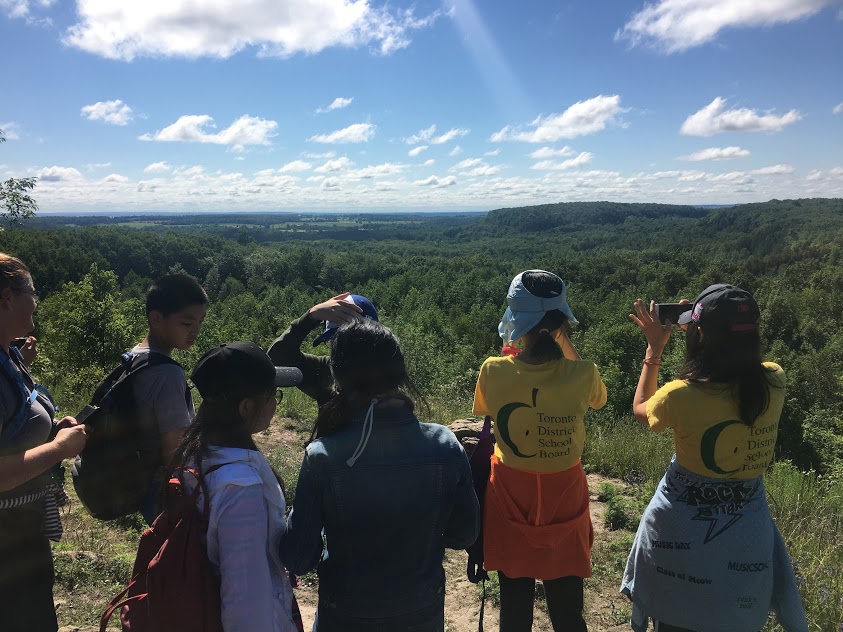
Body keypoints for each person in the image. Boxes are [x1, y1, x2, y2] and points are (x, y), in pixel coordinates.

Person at [622, 284, 808, 632]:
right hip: (746, 538)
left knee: (675, 620)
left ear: (700, 333)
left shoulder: (681, 394)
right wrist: (702, 328)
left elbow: (641, 411)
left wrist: (655, 348)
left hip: (679, 536)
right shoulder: (774, 379)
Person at [281, 319, 480, 632]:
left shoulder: (323, 455)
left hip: (345, 613)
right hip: (421, 610)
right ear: (400, 372)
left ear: (337, 375)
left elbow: (298, 559)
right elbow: (463, 535)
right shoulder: (445, 444)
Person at [472, 269, 607, 632]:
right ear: (562, 321)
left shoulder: (492, 370)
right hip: (564, 494)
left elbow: (485, 410)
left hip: (509, 496)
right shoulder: (584, 375)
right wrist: (559, 339)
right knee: (567, 610)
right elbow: (598, 398)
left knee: (514, 613)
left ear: (514, 320)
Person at [168, 341, 303, 632]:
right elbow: (245, 598)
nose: (275, 403)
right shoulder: (242, 487)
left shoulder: (197, 454)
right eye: (272, 394)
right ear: (245, 407)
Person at [0, 253, 88, 632]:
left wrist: (49, 430)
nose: (37, 301)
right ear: (6, 297)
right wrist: (59, 449)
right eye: (32, 292)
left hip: (21, 527)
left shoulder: (7, 355)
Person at [131, 273, 208, 524]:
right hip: (163, 486)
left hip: (140, 476)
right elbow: (174, 447)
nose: (195, 330)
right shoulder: (167, 374)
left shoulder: (135, 357)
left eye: (200, 321)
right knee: (177, 557)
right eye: (187, 323)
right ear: (156, 318)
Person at [267, 293, 377, 406]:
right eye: (333, 341)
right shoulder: (326, 371)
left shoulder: (392, 378)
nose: (339, 350)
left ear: (374, 339)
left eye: (348, 341)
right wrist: (311, 316)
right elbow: (277, 359)